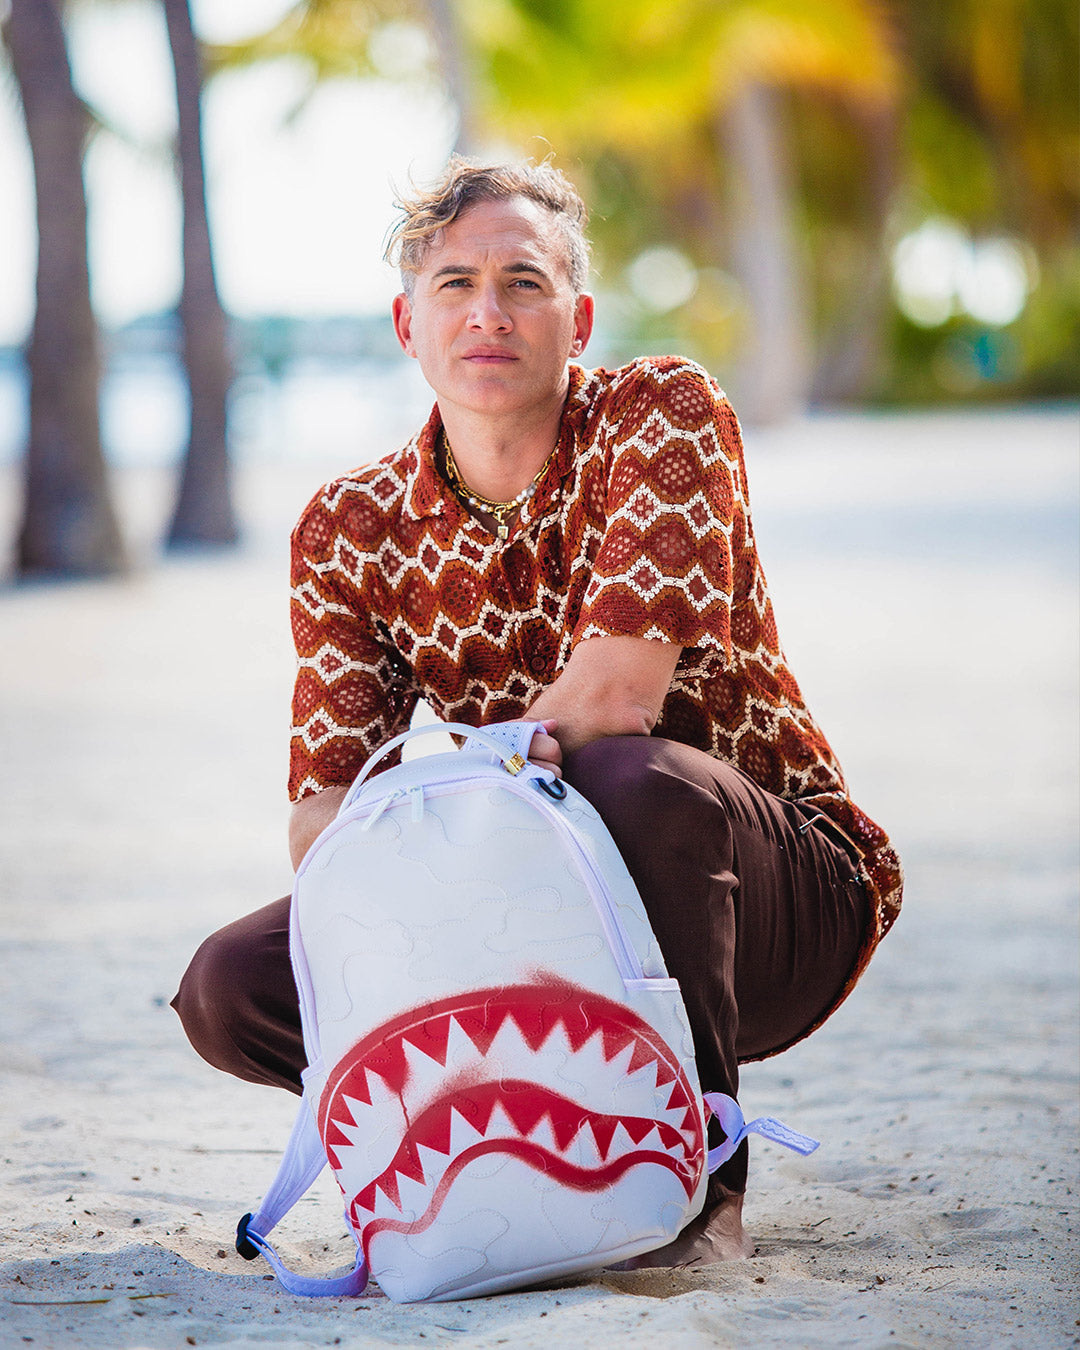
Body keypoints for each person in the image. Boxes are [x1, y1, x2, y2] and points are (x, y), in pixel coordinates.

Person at [173, 157, 902, 1266]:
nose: (488, 312)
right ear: (406, 325)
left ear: (580, 315)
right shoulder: (347, 528)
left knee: (627, 779)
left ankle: (700, 1196)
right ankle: (530, 1144)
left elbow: (616, 702)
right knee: (232, 988)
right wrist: (456, 862)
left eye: (523, 281)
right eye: (454, 285)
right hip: (526, 910)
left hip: (763, 896)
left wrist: (442, 806)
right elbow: (324, 823)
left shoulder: (660, 413)